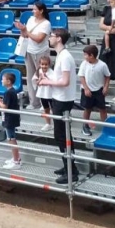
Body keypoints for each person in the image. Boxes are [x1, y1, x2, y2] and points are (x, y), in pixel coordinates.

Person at [38, 29, 78, 185]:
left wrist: (47, 82)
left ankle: (71, 171)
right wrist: (46, 77)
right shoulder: (61, 55)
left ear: (59, 39)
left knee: (62, 135)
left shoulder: (65, 57)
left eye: (52, 36)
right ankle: (69, 166)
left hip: (63, 99)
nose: (49, 38)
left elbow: (65, 81)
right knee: (62, 135)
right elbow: (59, 78)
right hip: (58, 98)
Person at [15, 3, 50, 111]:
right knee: (30, 77)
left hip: (41, 53)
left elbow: (39, 39)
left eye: (35, 9)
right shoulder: (30, 19)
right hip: (29, 51)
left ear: (41, 11)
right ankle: (34, 102)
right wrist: (22, 29)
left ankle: (45, 103)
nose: (32, 11)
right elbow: (25, 35)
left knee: (43, 77)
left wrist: (26, 31)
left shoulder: (46, 23)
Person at [0, 71, 21, 169]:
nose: (1, 81)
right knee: (11, 138)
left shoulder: (8, 92)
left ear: (8, 81)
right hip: (11, 117)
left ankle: (16, 162)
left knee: (11, 139)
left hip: (9, 118)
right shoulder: (12, 91)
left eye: (3, 79)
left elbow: (4, 107)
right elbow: (7, 104)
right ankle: (16, 158)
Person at [79, 45, 110, 137]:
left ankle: (106, 127)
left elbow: (107, 76)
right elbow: (81, 77)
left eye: (85, 55)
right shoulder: (84, 64)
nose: (84, 57)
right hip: (87, 90)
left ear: (91, 55)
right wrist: (86, 89)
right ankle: (85, 126)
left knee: (102, 109)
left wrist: (105, 87)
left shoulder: (102, 65)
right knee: (87, 108)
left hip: (99, 90)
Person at [33, 55, 54, 133]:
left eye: (46, 64)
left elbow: (53, 82)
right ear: (39, 64)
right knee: (46, 109)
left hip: (50, 94)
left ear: (49, 64)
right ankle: (48, 124)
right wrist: (40, 79)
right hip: (42, 94)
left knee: (54, 109)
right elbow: (37, 83)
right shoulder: (39, 71)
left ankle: (57, 123)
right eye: (42, 64)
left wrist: (46, 78)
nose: (44, 66)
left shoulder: (52, 72)